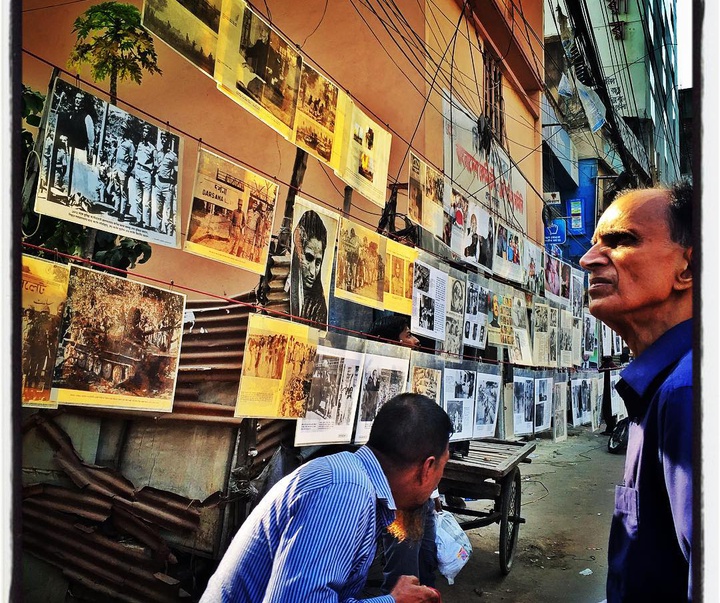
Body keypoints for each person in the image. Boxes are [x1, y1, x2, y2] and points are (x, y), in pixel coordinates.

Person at [201, 394, 451, 603]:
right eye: (443, 467)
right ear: (427, 468)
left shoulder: (354, 481)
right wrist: (393, 601)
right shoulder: (345, 490)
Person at [579, 181, 693, 602]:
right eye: (593, 244)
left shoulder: (687, 393)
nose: (588, 259)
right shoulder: (665, 385)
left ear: (688, 268)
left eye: (621, 240)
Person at [366, 315, 440, 595]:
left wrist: (433, 493)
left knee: (427, 555)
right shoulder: (380, 382)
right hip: (399, 491)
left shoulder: (411, 377)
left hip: (421, 488)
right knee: (404, 567)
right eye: (408, 335)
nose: (416, 340)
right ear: (390, 342)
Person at [290, 209, 329, 324]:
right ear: (298, 252)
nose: (312, 272)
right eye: (308, 258)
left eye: (318, 263)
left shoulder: (318, 308)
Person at [153, 131, 178, 234]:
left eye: (166, 139)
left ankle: (168, 230)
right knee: (158, 208)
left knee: (167, 210)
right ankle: (158, 228)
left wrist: (173, 185)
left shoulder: (173, 156)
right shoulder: (158, 153)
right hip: (159, 183)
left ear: (169, 141)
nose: (164, 141)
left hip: (168, 185)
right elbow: (155, 167)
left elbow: (177, 172)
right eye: (162, 139)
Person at [133, 124, 156, 228]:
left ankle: (146, 223)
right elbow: (137, 158)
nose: (145, 133)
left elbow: (155, 164)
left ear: (149, 134)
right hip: (138, 172)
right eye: (144, 131)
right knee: (138, 199)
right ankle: (139, 220)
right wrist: (135, 170)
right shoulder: (140, 145)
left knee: (146, 201)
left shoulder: (152, 148)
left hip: (146, 174)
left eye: (147, 132)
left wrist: (151, 173)